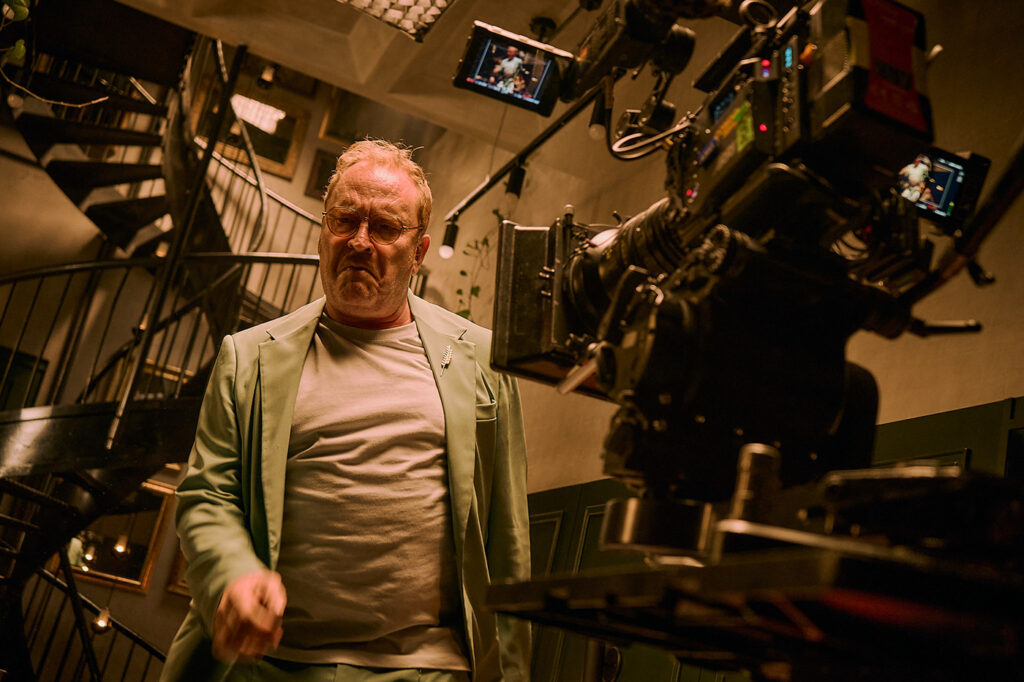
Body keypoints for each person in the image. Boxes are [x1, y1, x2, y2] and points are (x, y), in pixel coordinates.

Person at [161, 140, 531, 682]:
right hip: (269, 665)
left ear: (419, 252)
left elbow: (508, 539)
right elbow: (207, 495)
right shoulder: (248, 356)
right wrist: (233, 575)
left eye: (385, 227)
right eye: (345, 220)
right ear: (322, 231)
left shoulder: (482, 360)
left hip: (426, 668)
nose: (359, 241)